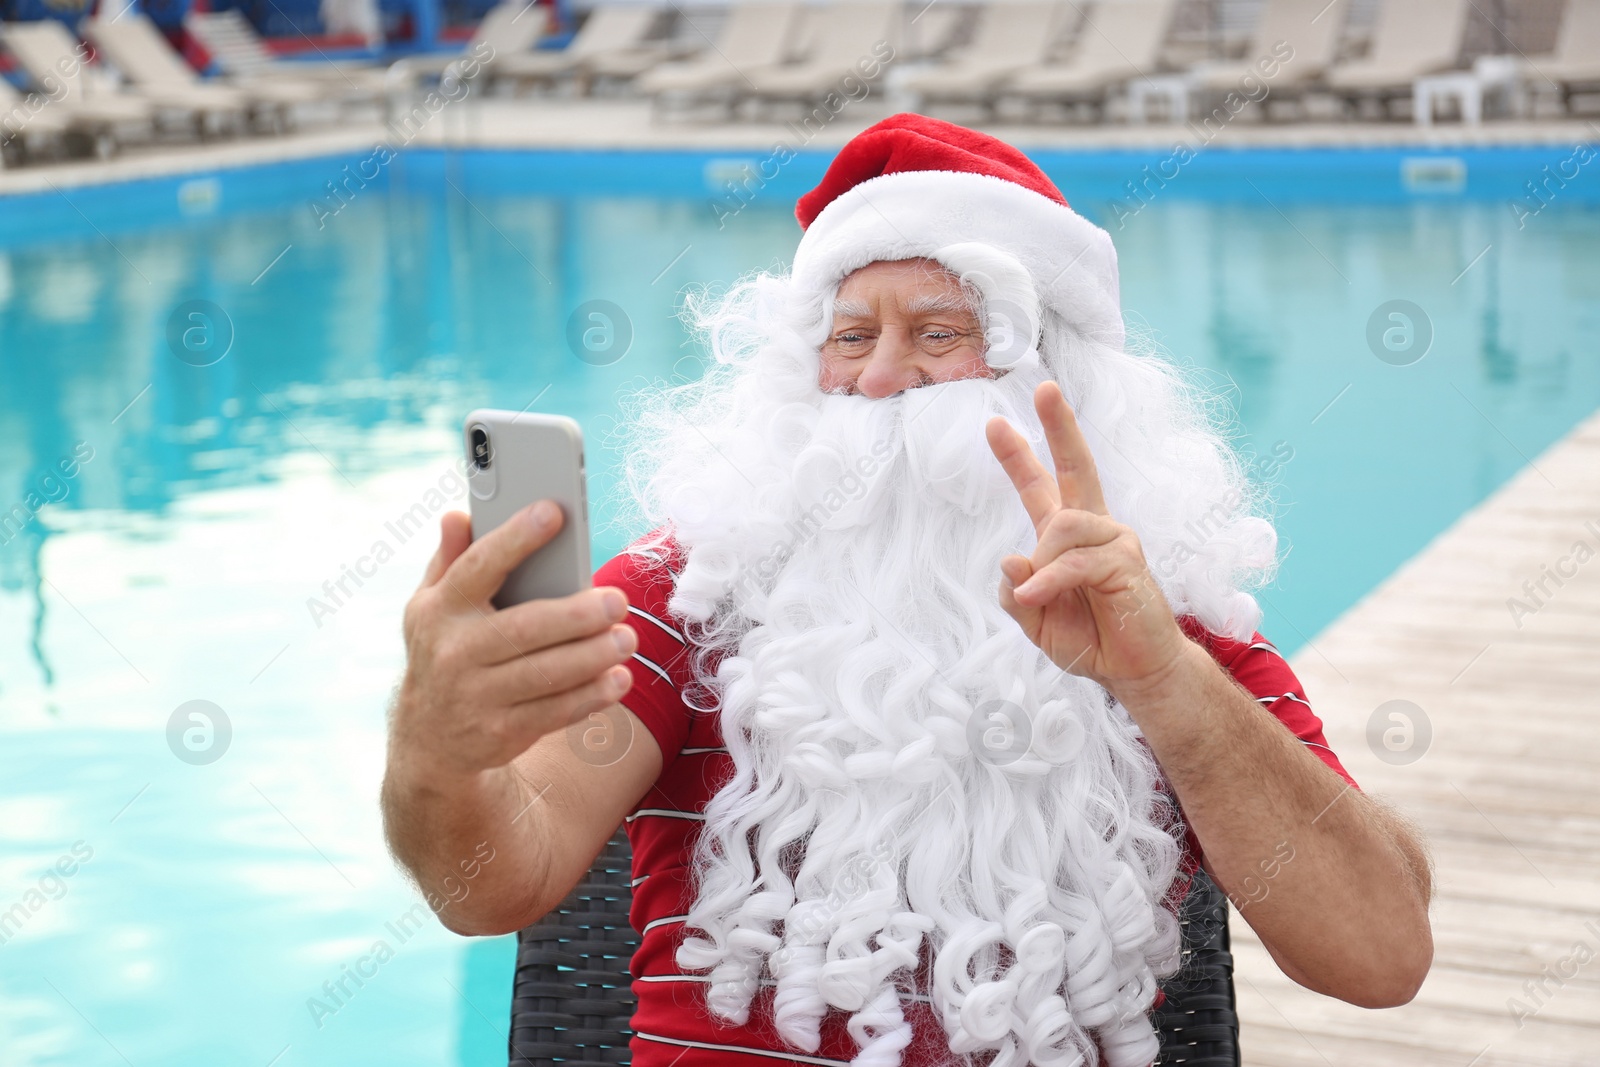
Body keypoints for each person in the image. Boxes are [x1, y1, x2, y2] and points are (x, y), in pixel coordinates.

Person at [381, 114, 1433, 1067]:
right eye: (850, 336)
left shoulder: (1157, 621)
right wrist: (437, 744)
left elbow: (1380, 954)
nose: (879, 377)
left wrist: (1163, 678)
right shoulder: (687, 594)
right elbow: (487, 886)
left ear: (1050, 376)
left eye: (937, 333)